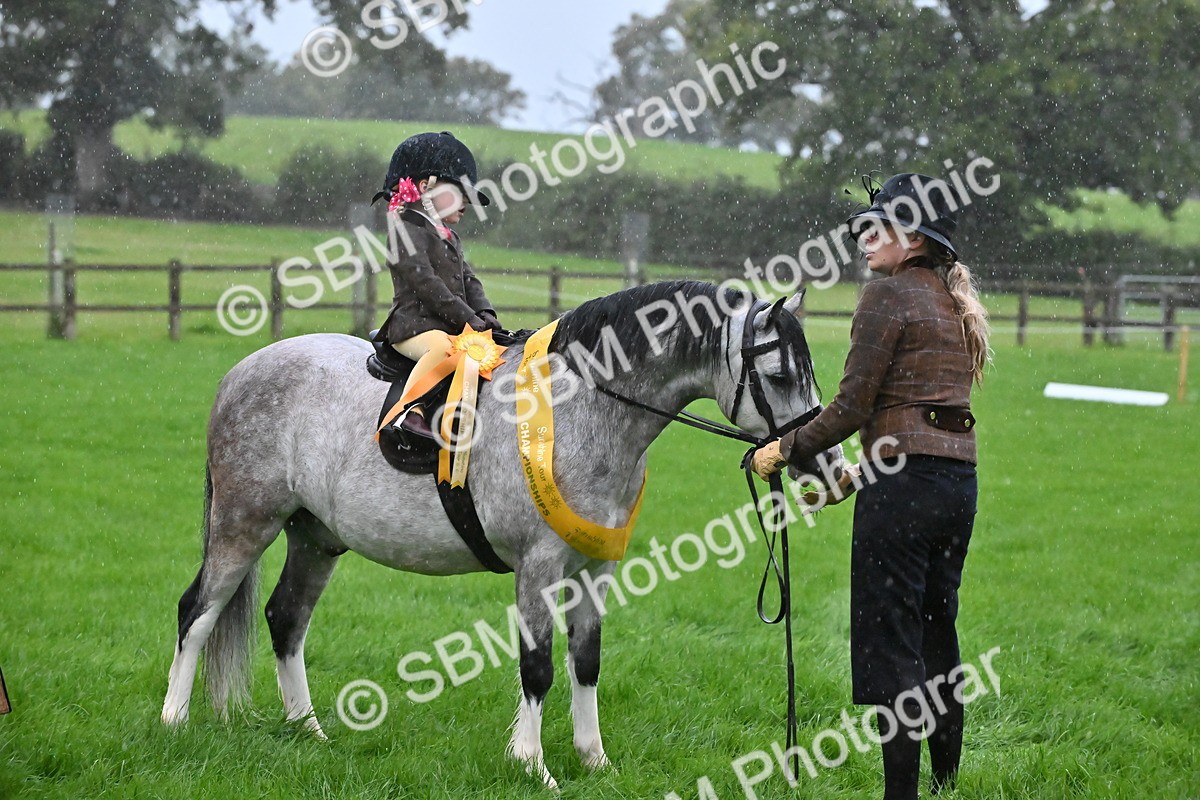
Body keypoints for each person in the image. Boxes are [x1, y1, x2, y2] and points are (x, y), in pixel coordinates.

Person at [750, 173, 991, 800]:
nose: (863, 238)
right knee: (938, 629)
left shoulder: (885, 295)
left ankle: (901, 794)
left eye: (877, 226)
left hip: (904, 493)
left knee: (892, 645)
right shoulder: (948, 298)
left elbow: (853, 407)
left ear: (911, 237)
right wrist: (854, 476)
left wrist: (785, 449)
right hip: (955, 486)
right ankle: (945, 783)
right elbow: (927, 422)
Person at [372, 131, 501, 438]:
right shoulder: (403, 231)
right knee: (443, 348)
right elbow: (426, 283)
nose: (467, 202)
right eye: (459, 192)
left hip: (451, 324)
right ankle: (407, 413)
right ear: (423, 187)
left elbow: (468, 279)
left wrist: (485, 311)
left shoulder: (449, 237)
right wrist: (468, 318)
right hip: (413, 328)